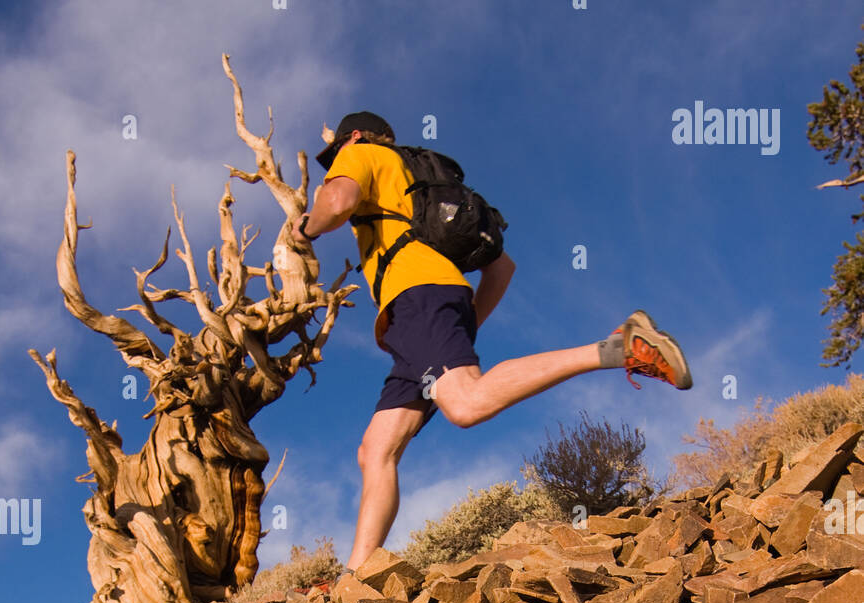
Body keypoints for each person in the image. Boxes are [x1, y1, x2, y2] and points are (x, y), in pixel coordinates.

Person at [292, 111, 692, 574]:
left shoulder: (361, 153)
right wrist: (466, 325)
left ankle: (619, 347)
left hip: (418, 301)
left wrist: (306, 228)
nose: (333, 166)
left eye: (334, 154)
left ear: (354, 137)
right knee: (376, 449)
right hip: (419, 319)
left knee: (465, 403)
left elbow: (337, 201)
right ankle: (358, 577)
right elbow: (502, 268)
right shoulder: (411, 183)